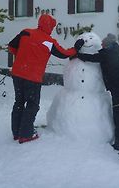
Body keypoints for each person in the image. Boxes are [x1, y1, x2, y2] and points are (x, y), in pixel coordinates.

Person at [8, 14, 84, 144]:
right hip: (32, 77)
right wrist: (76, 49)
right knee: (32, 104)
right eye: (52, 27)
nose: (52, 29)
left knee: (19, 102)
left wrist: (22, 58)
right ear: (49, 26)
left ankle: (16, 132)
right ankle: (26, 134)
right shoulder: (49, 41)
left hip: (17, 74)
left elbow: (11, 47)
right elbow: (63, 54)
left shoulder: (25, 32)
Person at [74, 33, 119, 155]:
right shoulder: (114, 51)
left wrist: (77, 55)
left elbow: (92, 58)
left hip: (118, 89)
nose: (100, 46)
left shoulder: (107, 53)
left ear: (107, 44)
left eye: (102, 44)